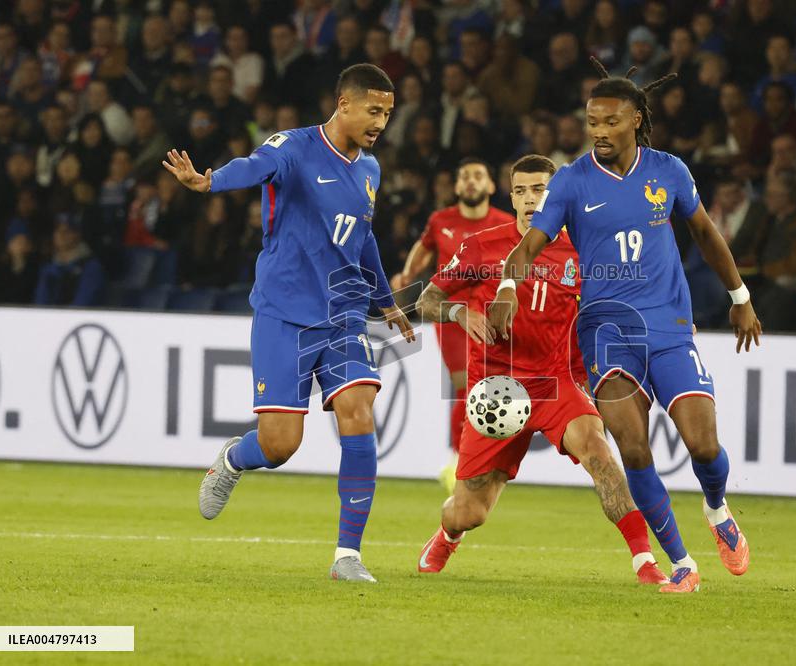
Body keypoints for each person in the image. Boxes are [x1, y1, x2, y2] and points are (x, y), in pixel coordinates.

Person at [489, 61, 760, 594]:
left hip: (669, 325)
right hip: (606, 331)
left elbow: (704, 232)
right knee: (633, 449)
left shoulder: (669, 172)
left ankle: (717, 509)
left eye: (610, 122)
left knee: (703, 445)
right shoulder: (570, 181)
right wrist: (505, 288)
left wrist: (740, 297)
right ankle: (682, 564)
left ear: (635, 119)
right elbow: (530, 246)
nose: (599, 132)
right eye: (592, 122)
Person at [162, 64, 415, 583]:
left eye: (387, 114)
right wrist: (209, 183)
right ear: (343, 104)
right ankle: (234, 459)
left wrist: (387, 301)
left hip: (344, 315)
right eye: (374, 110)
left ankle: (348, 555)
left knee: (358, 412)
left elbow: (363, 238)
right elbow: (254, 166)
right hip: (285, 312)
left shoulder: (370, 170)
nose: (381, 123)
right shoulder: (294, 146)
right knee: (280, 445)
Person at [414, 154, 668, 585]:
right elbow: (426, 301)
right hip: (495, 390)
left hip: (556, 383)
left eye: (540, 190)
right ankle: (447, 534)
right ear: (511, 197)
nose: (531, 199)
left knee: (599, 454)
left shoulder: (584, 249)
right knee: (469, 512)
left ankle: (644, 560)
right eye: (522, 191)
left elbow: (625, 298)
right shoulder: (482, 246)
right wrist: (460, 314)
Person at [391, 158, 514, 487]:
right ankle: (456, 461)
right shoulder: (441, 220)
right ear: (457, 187)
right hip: (453, 316)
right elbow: (425, 246)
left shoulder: (506, 225)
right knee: (465, 386)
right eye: (464, 177)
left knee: (490, 388)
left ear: (490, 186)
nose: (470, 181)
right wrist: (408, 272)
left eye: (478, 175)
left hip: (493, 316)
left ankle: (485, 457)